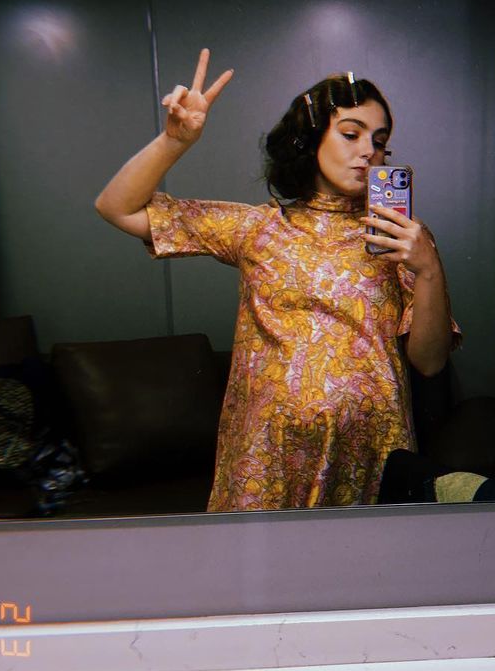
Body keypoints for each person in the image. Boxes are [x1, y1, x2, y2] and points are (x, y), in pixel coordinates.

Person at [95, 49, 458, 510]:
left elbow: (430, 362)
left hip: (371, 454)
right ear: (310, 139)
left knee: (363, 557)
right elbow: (117, 207)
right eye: (351, 134)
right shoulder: (258, 229)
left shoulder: (401, 239)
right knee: (259, 557)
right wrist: (174, 141)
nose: (369, 150)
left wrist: (429, 269)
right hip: (268, 458)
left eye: (380, 140)